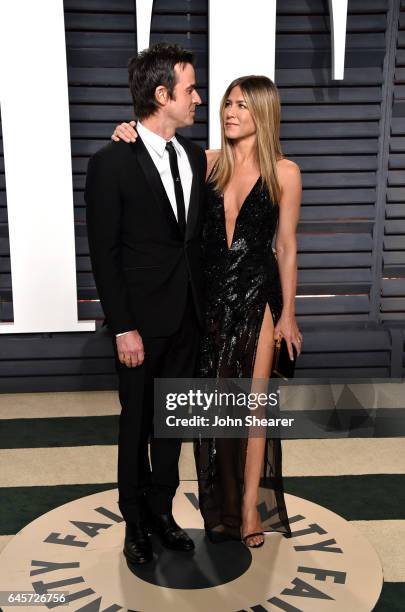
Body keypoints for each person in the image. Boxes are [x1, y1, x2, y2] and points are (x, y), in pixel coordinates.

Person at [112, 76, 302, 548]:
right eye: (226, 104)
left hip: (257, 297)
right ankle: (217, 501)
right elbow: (156, 151)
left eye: (241, 105)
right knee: (214, 414)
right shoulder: (206, 162)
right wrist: (126, 132)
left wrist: (289, 315)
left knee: (252, 411)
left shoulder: (285, 172)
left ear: (263, 111)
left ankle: (248, 510)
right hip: (207, 301)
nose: (229, 112)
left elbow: (286, 247)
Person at [85, 43, 207, 565]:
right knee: (136, 425)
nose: (198, 99)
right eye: (191, 90)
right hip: (140, 325)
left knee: (172, 425)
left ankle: (162, 510)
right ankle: (134, 522)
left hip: (188, 318)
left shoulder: (196, 155)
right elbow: (103, 253)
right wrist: (122, 327)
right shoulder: (110, 162)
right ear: (163, 95)